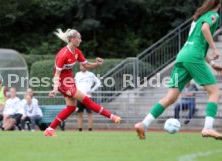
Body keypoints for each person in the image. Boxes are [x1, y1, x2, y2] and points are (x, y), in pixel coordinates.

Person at [135, 0, 222, 140]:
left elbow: (196, 44)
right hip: (193, 57)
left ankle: (143, 124)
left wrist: (212, 63)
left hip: (182, 57)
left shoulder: (197, 19)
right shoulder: (214, 15)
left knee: (170, 97)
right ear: (219, 4)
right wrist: (214, 48)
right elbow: (205, 29)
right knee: (214, 92)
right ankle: (208, 128)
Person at [44, 28, 121, 137]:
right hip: (63, 83)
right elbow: (56, 74)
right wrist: (55, 89)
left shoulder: (76, 52)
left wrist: (97, 64)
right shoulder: (63, 54)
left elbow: (86, 65)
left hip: (69, 81)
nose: (81, 40)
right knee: (86, 100)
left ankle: (50, 129)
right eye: (79, 38)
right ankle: (112, 117)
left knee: (70, 108)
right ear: (72, 39)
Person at [75, 64, 101, 131]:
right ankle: (80, 129)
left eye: (84, 66)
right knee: (79, 114)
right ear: (80, 67)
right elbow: (75, 84)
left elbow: (98, 82)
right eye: (81, 66)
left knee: (89, 113)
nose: (83, 67)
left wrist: (92, 90)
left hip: (88, 97)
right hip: (79, 97)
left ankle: (90, 129)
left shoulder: (91, 74)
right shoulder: (77, 74)